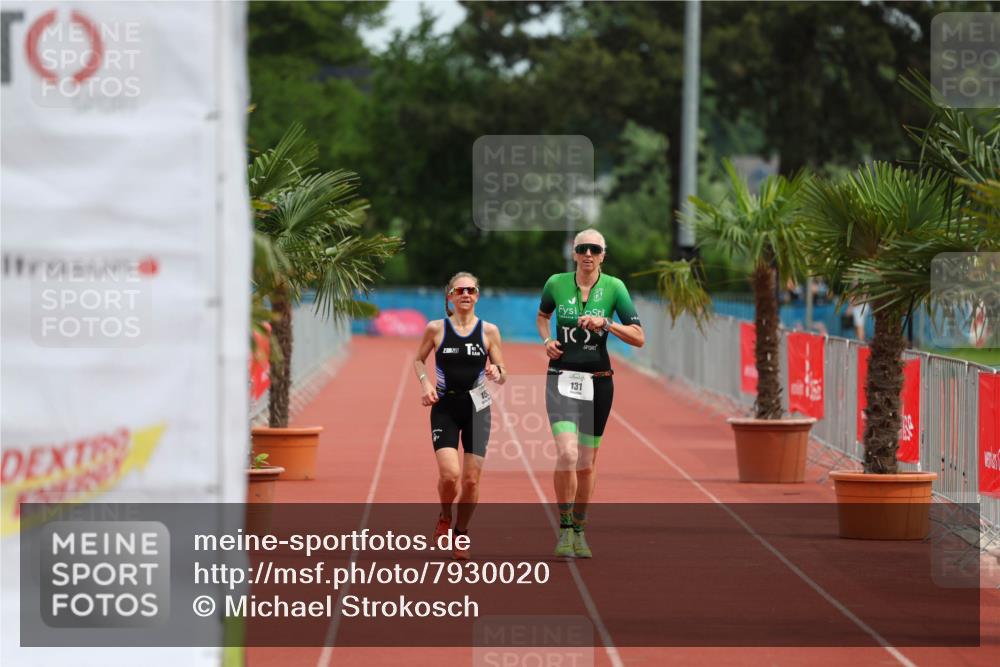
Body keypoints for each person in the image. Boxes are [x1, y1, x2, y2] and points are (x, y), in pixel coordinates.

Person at [536, 229, 644, 558]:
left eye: (594, 249)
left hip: (598, 380)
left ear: (602, 255)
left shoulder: (615, 288)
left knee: (586, 462)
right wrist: (546, 340)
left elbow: (639, 337)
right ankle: (565, 527)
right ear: (573, 252)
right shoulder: (555, 282)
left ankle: (580, 529)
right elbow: (543, 316)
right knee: (567, 454)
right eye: (582, 248)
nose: (588, 254)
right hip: (562, 377)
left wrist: (606, 324)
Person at [414, 272, 506, 560]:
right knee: (450, 475)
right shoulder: (436, 329)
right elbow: (419, 359)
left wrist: (496, 372)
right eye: (460, 290)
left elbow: (502, 371)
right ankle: (444, 514)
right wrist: (426, 383)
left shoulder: (489, 331)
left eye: (471, 290)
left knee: (471, 481)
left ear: (477, 295)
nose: (466, 294)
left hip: (478, 407)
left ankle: (461, 532)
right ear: (450, 297)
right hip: (446, 407)